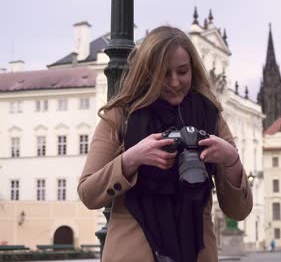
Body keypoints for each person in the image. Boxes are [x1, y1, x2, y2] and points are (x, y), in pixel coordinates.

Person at [78, 26, 253, 262]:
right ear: (147, 73)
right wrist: (132, 159)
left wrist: (231, 160)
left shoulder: (210, 117)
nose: (175, 82)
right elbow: (89, 194)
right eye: (163, 73)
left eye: (183, 71)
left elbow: (238, 211)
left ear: (193, 69)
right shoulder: (120, 116)